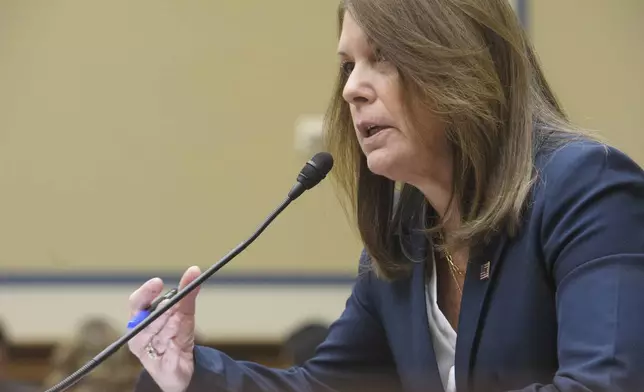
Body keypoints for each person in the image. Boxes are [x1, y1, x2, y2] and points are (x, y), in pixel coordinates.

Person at [127, 0, 644, 391]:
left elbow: (603, 384)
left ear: (460, 63)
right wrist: (192, 370)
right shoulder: (407, 240)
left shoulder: (588, 188)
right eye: (348, 65)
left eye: (382, 58)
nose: (352, 87)